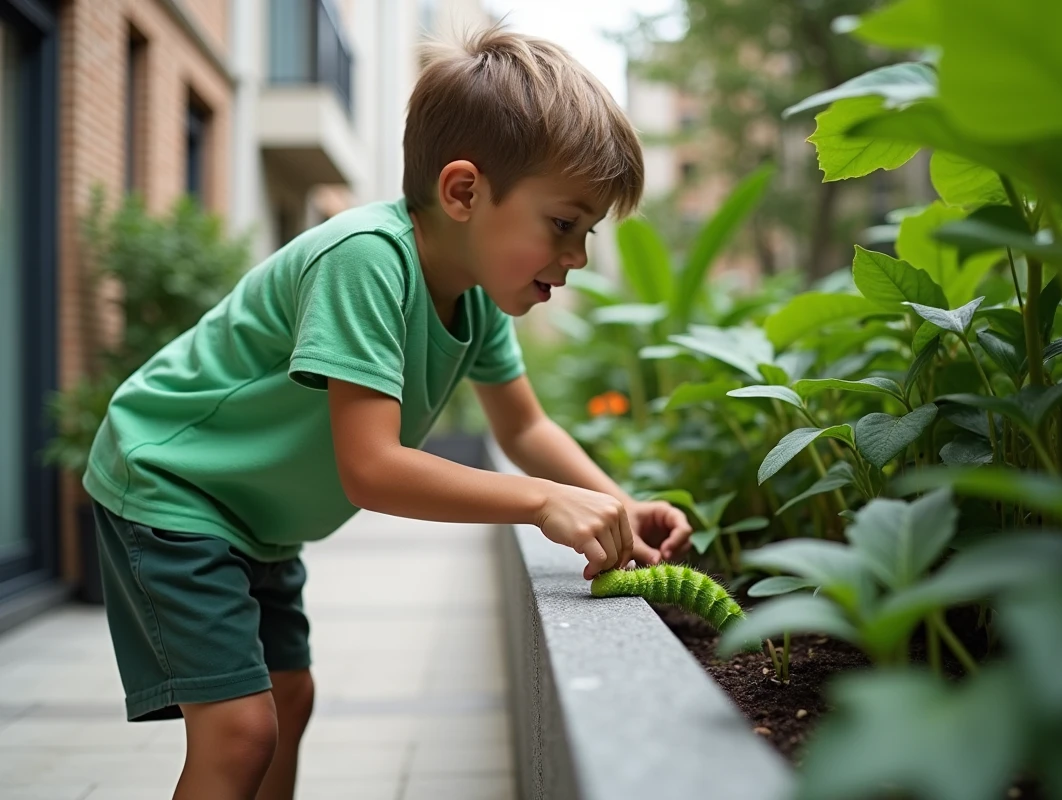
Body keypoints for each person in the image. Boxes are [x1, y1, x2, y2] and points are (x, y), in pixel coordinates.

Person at [82, 25, 693, 800]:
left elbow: (525, 429)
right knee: (240, 731)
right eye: (563, 225)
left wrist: (620, 505)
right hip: (173, 484)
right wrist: (541, 502)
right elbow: (372, 470)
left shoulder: (476, 307)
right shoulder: (366, 260)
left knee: (289, 702)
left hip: (255, 518)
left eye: (588, 232)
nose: (576, 257)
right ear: (464, 191)